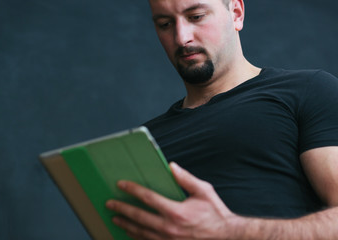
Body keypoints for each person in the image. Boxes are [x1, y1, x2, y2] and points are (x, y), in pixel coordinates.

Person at [106, 0, 338, 239]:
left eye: (196, 17)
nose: (181, 38)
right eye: (165, 24)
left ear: (236, 13)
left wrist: (230, 231)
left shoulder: (307, 91)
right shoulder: (142, 143)